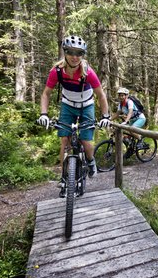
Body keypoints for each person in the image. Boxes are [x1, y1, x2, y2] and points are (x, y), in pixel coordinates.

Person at [37, 35, 110, 196]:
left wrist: (105, 116)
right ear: (65, 52)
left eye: (79, 53)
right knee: (64, 140)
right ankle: (64, 178)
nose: (75, 57)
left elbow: (101, 95)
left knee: (85, 140)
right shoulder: (56, 71)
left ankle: (91, 161)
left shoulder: (88, 72)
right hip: (67, 105)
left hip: (87, 105)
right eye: (71, 52)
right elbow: (46, 94)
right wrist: (44, 114)